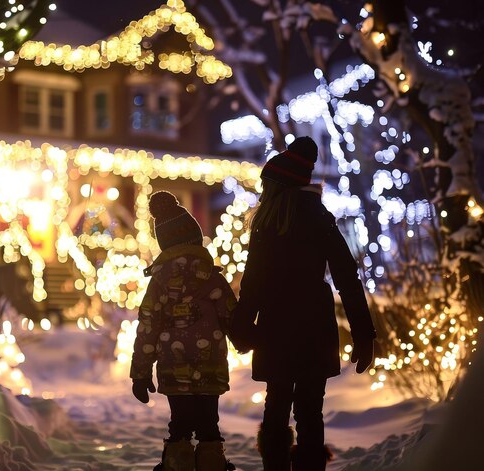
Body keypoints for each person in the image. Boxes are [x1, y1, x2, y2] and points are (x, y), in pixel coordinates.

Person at [228, 137, 376, 471]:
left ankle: (275, 466)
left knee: (277, 406)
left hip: (275, 327)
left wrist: (241, 327)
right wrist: (364, 334)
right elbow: (347, 278)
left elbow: (254, 282)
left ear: (276, 186)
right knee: (311, 410)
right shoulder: (320, 218)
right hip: (314, 327)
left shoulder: (267, 223)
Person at [130, 190, 237, 471]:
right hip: (210, 365)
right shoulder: (212, 279)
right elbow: (232, 316)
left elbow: (148, 327)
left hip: (173, 368)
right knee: (209, 425)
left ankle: (177, 464)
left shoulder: (160, 282)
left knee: (179, 423)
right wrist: (246, 340)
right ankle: (212, 463)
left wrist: (140, 373)